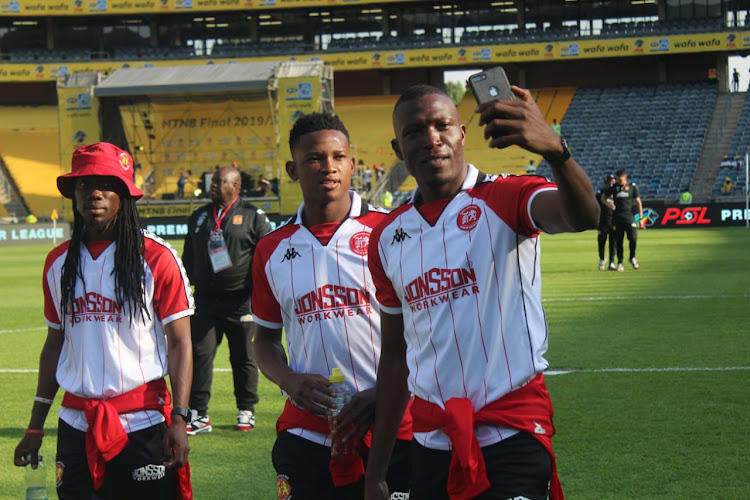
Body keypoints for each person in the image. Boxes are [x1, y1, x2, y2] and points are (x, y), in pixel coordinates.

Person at [364, 85, 599, 500]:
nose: (432, 138)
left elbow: (582, 215)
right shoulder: (386, 237)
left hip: (510, 429)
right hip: (432, 439)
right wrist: (377, 473)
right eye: (416, 131)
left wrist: (556, 152)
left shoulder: (506, 196)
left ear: (462, 134)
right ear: (398, 148)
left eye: (442, 126)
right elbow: (396, 356)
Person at [13, 142, 193, 499]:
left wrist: (180, 418)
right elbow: (54, 346)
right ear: (74, 194)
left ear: (124, 194)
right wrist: (35, 426)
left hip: (143, 423)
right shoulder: (58, 263)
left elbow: (180, 342)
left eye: (106, 184)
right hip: (76, 422)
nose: (94, 192)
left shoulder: (156, 258)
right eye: (83, 184)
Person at [252, 112, 412, 500]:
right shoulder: (271, 249)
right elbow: (264, 340)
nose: (328, 167)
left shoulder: (389, 232)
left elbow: (428, 330)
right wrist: (289, 381)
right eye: (314, 159)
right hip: (308, 431)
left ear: (352, 164)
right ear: (292, 169)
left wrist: (384, 393)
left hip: (394, 425)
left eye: (338, 157)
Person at [182, 165, 272, 434]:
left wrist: (257, 293)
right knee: (199, 354)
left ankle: (246, 409)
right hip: (205, 301)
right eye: (213, 180)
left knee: (243, 356)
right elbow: (188, 256)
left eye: (220, 181)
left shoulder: (253, 216)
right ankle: (199, 414)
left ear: (236, 187)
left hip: (240, 301)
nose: (213, 185)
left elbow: (265, 256)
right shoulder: (199, 216)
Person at [606, 168, 642, 271]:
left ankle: (632, 257)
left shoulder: (632, 187)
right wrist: (609, 203)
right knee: (619, 241)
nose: (618, 181)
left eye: (619, 179)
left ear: (625, 177)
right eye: (617, 179)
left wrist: (640, 218)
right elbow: (604, 197)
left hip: (629, 217)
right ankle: (620, 262)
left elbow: (638, 202)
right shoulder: (614, 188)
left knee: (633, 238)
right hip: (617, 218)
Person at [597, 174, 616, 270]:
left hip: (613, 220)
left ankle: (612, 262)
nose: (611, 182)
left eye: (613, 181)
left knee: (613, 242)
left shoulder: (617, 192)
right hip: (602, 221)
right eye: (610, 181)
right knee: (601, 241)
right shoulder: (601, 192)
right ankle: (602, 258)